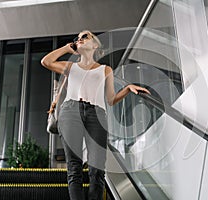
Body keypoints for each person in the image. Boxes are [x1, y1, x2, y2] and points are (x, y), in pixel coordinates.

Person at [41, 30, 150, 200]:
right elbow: (46, 61)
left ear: (95, 44)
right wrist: (66, 48)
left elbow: (111, 99)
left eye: (85, 36)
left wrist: (128, 89)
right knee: (74, 168)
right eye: (77, 38)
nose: (80, 39)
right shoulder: (70, 67)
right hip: (71, 112)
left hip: (97, 115)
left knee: (97, 168)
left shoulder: (105, 70)